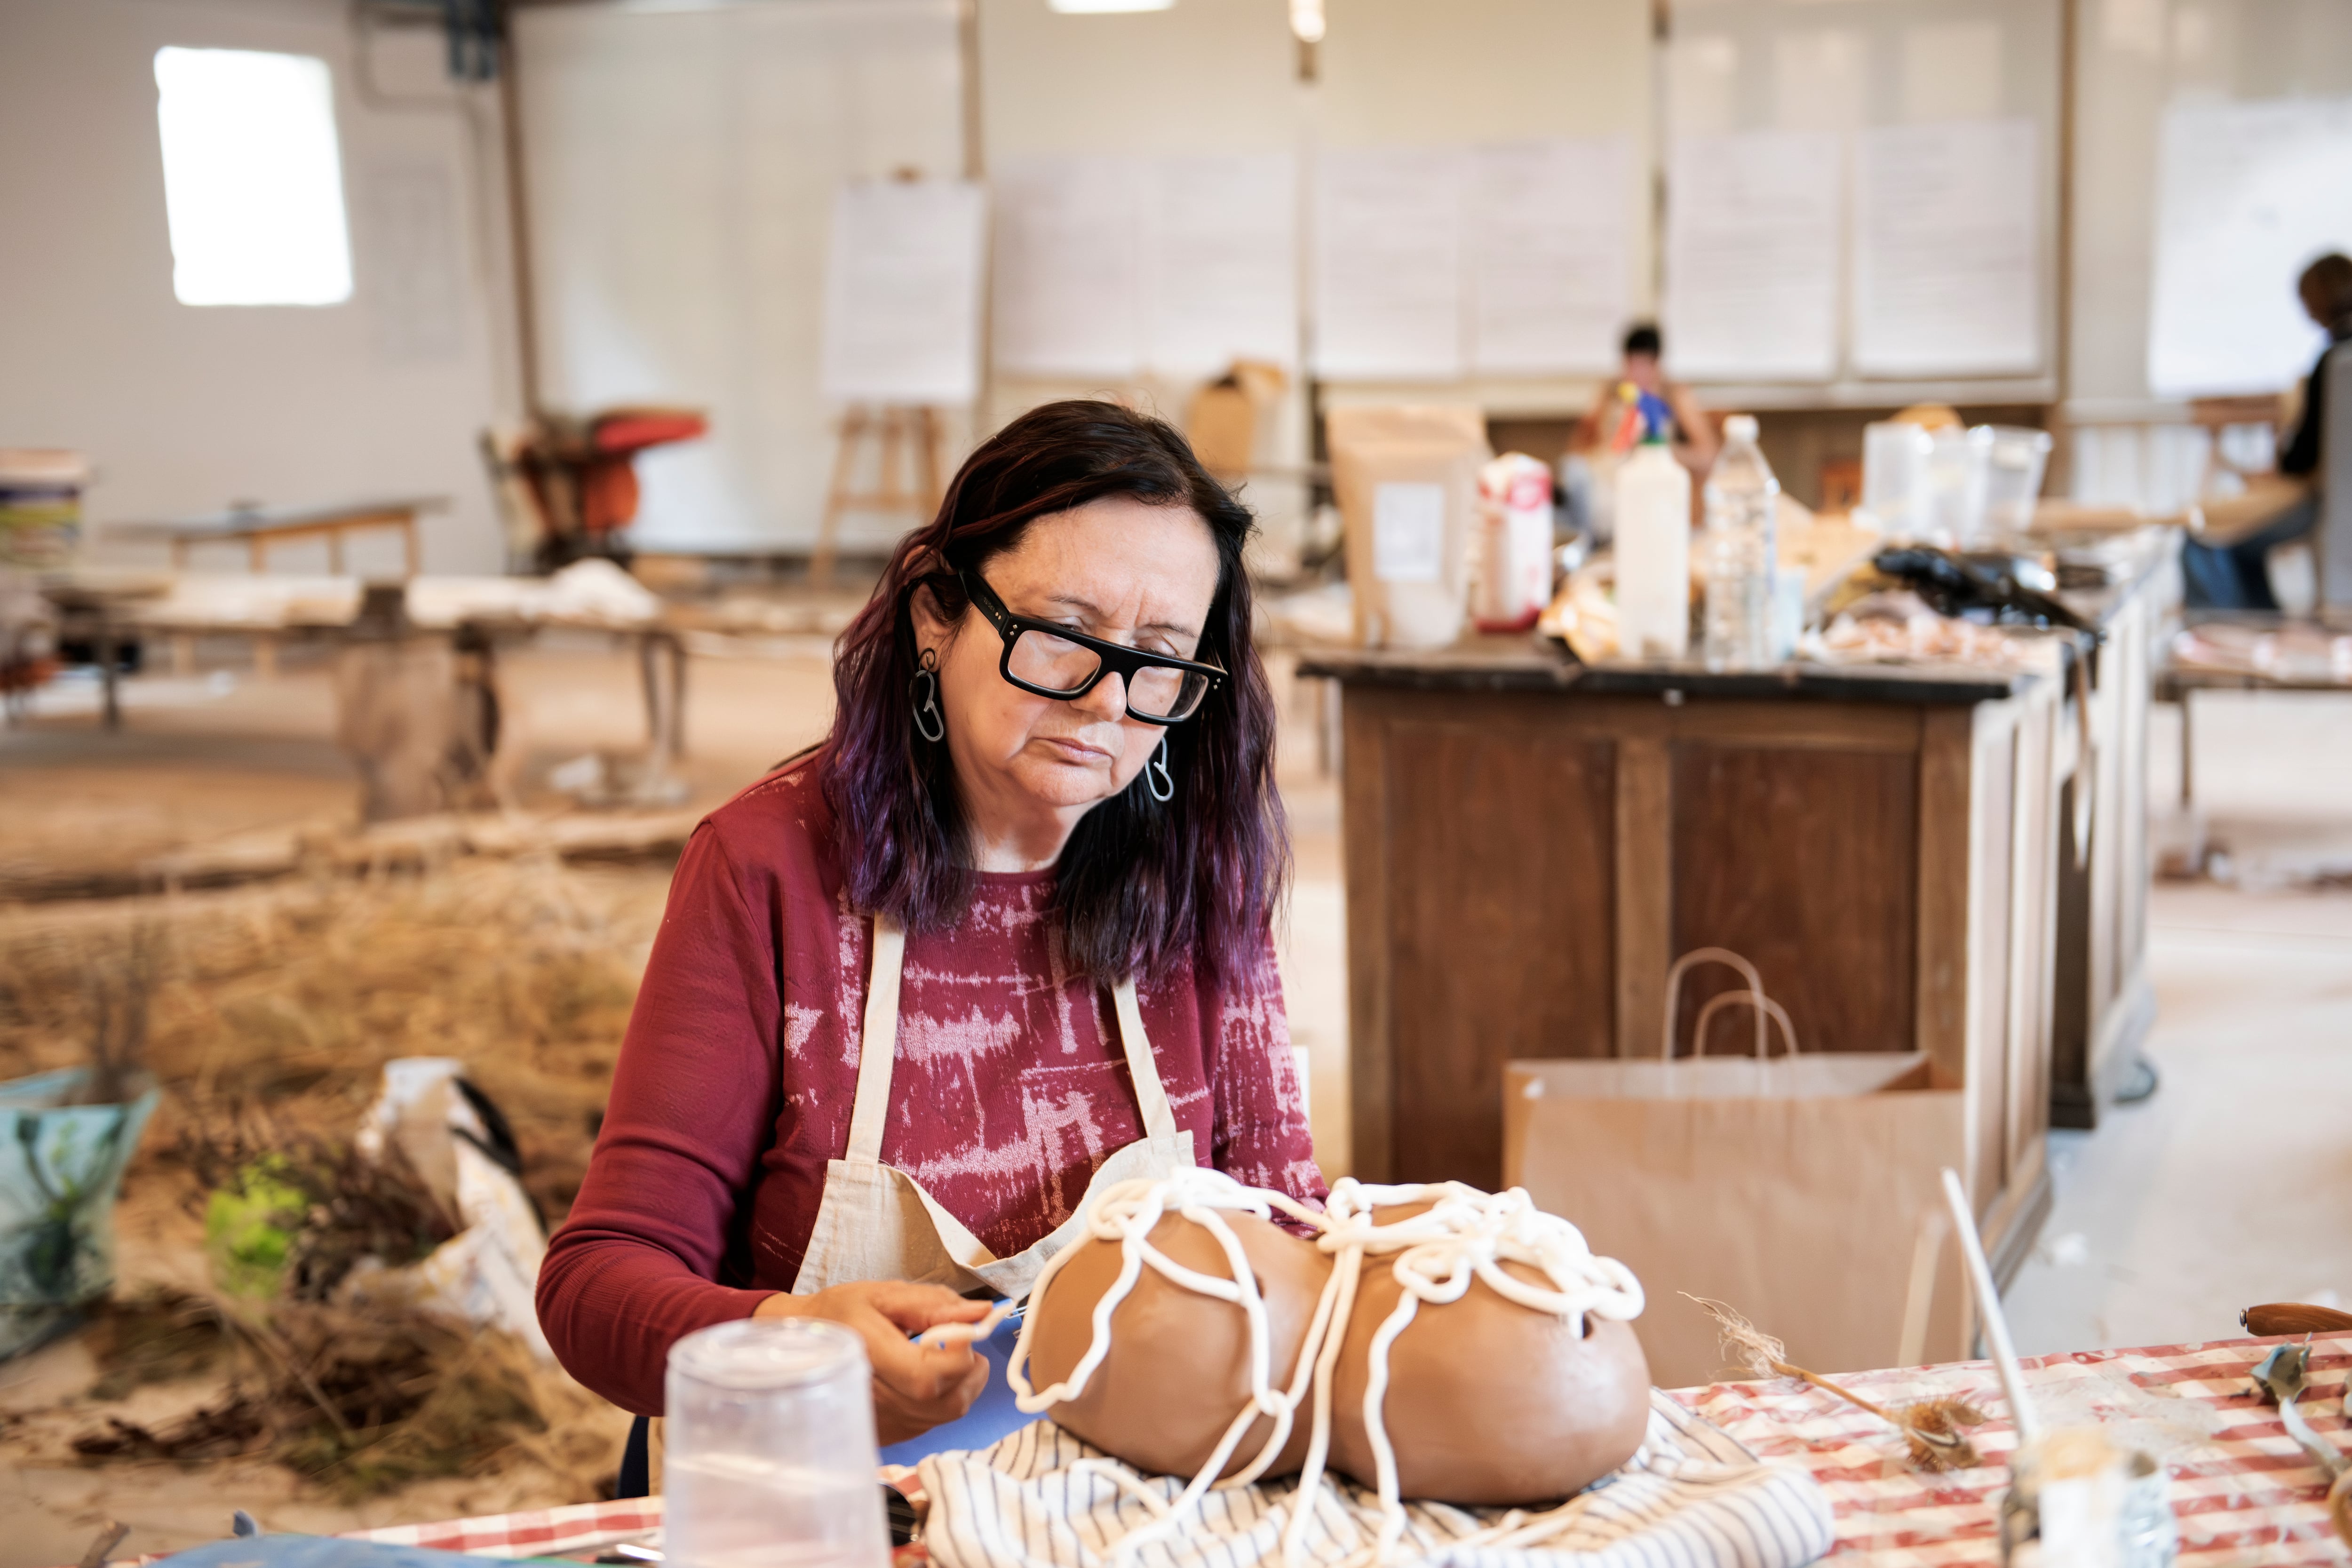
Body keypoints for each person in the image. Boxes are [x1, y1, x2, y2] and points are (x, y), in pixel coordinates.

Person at [537, 400, 1324, 1481]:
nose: (1106, 701)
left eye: (1158, 660)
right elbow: (596, 1284)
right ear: (936, 616)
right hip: (813, 1507)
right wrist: (787, 1338)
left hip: (1111, 1510)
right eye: (1062, 635)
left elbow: (1290, 1232)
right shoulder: (771, 867)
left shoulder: (1195, 876)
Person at [2183, 252, 2352, 610]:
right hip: (2339, 508)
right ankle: (2262, 628)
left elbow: (2302, 458)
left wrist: (2275, 469)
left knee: (2199, 531)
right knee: (2245, 551)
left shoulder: (2335, 361)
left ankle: (2219, 641)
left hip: (2321, 504)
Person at [1576, 322, 1720, 475]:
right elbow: (1580, 448)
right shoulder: (1610, 392)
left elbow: (1708, 456)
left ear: (1657, 364)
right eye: (1632, 365)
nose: (1638, 374)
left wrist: (1657, 450)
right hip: (1610, 479)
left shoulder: (1674, 394)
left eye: (1645, 365)